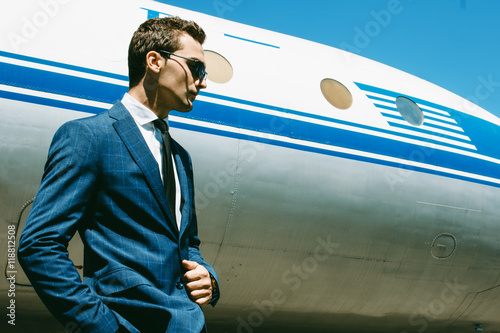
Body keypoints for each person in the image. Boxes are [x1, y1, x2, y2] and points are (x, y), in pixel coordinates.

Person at [18, 16, 219, 333]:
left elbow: (188, 245)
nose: (203, 82)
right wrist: (103, 326)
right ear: (154, 61)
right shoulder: (88, 137)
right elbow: (39, 246)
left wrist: (208, 275)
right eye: (196, 68)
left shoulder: (182, 158)